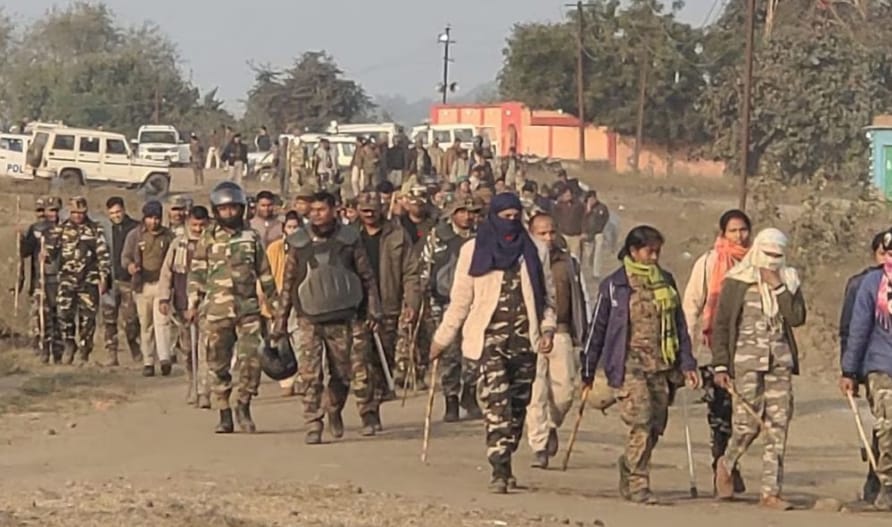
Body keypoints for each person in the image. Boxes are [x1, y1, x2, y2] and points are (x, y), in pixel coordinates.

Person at [430, 192, 557, 494]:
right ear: (493, 217)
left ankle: (507, 453)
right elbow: (461, 300)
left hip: (525, 342)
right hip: (487, 341)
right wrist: (441, 339)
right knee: (496, 405)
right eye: (505, 217)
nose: (510, 222)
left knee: (517, 407)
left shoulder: (535, 250)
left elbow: (548, 298)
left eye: (515, 217)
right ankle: (499, 469)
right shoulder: (473, 250)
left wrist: (548, 329)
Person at [582, 225, 698, 504]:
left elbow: (679, 325)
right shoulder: (615, 285)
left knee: (656, 426)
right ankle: (638, 483)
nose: (654, 257)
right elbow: (598, 328)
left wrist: (687, 363)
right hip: (628, 365)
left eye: (657, 251)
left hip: (662, 366)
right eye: (649, 251)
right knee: (641, 422)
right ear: (633, 251)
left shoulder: (665, 282)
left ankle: (629, 464)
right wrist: (588, 369)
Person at [274, 191, 382, 444]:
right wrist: (280, 322)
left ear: (334, 210)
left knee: (344, 373)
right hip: (308, 318)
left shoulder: (349, 239)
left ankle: (334, 407)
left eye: (322, 210)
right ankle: (313, 423)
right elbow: (288, 284)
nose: (316, 215)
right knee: (310, 375)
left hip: (344, 316)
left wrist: (373, 309)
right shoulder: (299, 242)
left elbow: (367, 276)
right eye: (313, 210)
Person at [712, 228, 805, 510]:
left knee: (777, 426)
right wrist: (720, 364)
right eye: (767, 254)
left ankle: (770, 492)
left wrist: (778, 287)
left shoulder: (789, 280)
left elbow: (796, 317)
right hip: (746, 363)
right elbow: (722, 324)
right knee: (747, 424)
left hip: (779, 362)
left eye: (778, 255)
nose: (772, 260)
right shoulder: (737, 281)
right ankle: (727, 463)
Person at [187, 182, 278, 434]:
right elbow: (197, 272)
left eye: (233, 208)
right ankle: (223, 411)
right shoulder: (208, 237)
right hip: (217, 311)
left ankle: (243, 405)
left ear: (241, 209)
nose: (229, 213)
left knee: (252, 361)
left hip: (247, 310)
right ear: (216, 210)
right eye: (224, 209)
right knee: (217, 362)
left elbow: (265, 273)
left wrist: (276, 305)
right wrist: (193, 301)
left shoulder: (251, 237)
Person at [682, 209, 751, 493]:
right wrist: (686, 350)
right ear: (723, 233)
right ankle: (721, 467)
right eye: (733, 231)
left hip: (748, 348)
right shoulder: (710, 263)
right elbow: (692, 304)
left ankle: (731, 463)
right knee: (721, 411)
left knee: (745, 413)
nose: (739, 236)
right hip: (714, 347)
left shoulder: (756, 262)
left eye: (743, 230)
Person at [411, 194, 482, 420]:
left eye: (472, 212)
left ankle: (469, 393)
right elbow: (424, 267)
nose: (467, 216)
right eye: (462, 211)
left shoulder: (483, 238)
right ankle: (451, 399)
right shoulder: (437, 237)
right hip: (444, 301)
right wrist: (423, 294)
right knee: (449, 353)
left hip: (476, 303)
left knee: (474, 351)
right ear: (452, 214)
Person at [526, 213, 588, 469]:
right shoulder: (523, 261)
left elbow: (580, 297)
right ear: (531, 234)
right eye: (541, 233)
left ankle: (551, 424)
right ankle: (539, 445)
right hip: (532, 333)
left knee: (564, 392)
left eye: (551, 232)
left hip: (561, 331)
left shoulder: (568, 262)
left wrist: (582, 332)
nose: (548, 238)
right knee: (537, 393)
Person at [356, 191, 420, 429]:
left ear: (381, 209)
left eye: (373, 210)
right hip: (357, 308)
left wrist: (411, 303)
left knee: (382, 360)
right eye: (364, 210)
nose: (369, 215)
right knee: (360, 362)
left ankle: (375, 401)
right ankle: (367, 412)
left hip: (388, 308)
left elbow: (411, 272)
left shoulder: (397, 235)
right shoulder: (349, 236)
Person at [841, 229, 892, 510]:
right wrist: (849, 370)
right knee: (888, 428)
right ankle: (887, 485)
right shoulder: (872, 283)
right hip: (882, 366)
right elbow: (858, 329)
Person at [159, 205, 211, 407]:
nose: (198, 229)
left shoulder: (214, 244)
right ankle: (191, 384)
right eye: (195, 225)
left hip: (207, 304)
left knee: (205, 350)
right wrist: (164, 298)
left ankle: (203, 390)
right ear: (189, 222)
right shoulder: (178, 244)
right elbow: (167, 273)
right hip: (181, 305)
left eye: (202, 225)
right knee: (188, 351)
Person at [52, 196, 112, 365]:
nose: (78, 216)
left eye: (81, 212)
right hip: (67, 279)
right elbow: (51, 252)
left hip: (89, 280)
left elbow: (103, 254)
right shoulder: (61, 229)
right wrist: (46, 252)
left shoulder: (95, 229)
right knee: (64, 314)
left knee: (88, 319)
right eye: (75, 212)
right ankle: (69, 343)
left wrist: (104, 276)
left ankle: (85, 351)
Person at [123, 201, 175, 377]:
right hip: (142, 286)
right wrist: (131, 266)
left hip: (162, 285)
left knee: (163, 322)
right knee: (146, 325)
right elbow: (125, 257)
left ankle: (165, 358)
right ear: (144, 218)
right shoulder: (135, 236)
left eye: (157, 218)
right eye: (150, 218)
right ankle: (148, 361)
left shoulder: (168, 237)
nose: (154, 221)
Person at [20, 196, 64, 363]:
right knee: (42, 317)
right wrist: (22, 239)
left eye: (56, 210)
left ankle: (59, 353)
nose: (53, 214)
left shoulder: (65, 229)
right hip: (41, 279)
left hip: (59, 279)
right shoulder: (37, 229)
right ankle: (44, 350)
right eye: (50, 210)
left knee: (59, 316)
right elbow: (26, 252)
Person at [265, 211, 302, 397]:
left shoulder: (306, 246)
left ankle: (302, 378)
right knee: (280, 339)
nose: (293, 230)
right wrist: (267, 299)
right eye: (290, 227)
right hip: (278, 298)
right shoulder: (274, 249)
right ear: (284, 229)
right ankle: (286, 380)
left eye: (296, 227)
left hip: (300, 299)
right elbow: (266, 274)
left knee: (299, 339)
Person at [100, 197, 141, 365]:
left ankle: (135, 348)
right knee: (109, 320)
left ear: (124, 210)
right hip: (110, 280)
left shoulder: (135, 228)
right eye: (112, 213)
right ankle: (112, 354)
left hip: (128, 281)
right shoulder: (104, 230)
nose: (116, 216)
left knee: (131, 320)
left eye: (118, 212)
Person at [582, 191, 611, 279]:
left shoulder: (602, 208)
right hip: (588, 235)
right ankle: (591, 268)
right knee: (589, 255)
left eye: (592, 198)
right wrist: (588, 211)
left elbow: (605, 218)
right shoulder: (584, 208)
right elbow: (581, 221)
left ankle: (596, 273)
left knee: (598, 253)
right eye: (589, 199)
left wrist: (602, 229)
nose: (591, 200)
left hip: (598, 233)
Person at [552, 186, 586, 261]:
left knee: (575, 258)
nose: (568, 196)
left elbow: (584, 219)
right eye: (566, 194)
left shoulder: (578, 206)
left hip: (575, 236)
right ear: (562, 195)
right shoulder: (558, 206)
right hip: (562, 235)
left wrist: (584, 232)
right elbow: (554, 220)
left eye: (569, 194)